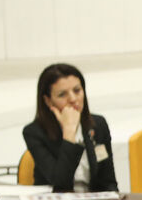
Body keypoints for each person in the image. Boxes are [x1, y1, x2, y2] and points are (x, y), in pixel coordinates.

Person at [22, 63, 118, 193]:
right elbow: (60, 184)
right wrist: (69, 133)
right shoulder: (35, 132)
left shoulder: (98, 124)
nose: (73, 99)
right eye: (62, 94)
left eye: (77, 91)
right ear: (48, 100)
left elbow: (108, 182)